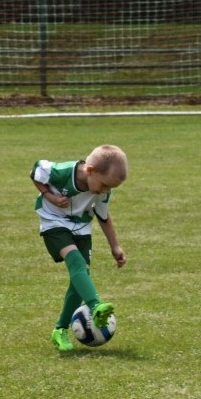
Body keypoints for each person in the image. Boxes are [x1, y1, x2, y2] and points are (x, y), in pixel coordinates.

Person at [31, 145, 128, 352]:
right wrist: (50, 197)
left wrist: (115, 246)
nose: (105, 191)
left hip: (81, 226)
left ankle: (60, 330)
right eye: (103, 186)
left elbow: (103, 216)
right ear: (90, 170)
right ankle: (95, 306)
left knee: (80, 275)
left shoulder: (103, 190)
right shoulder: (63, 171)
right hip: (53, 221)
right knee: (76, 262)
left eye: (110, 188)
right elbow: (36, 171)